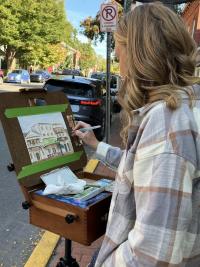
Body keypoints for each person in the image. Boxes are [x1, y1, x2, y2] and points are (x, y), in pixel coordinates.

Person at [73, 2, 200, 267]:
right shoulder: (184, 103)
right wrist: (96, 144)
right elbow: (144, 165)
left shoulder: (166, 120)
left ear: (139, 54)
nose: (118, 61)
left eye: (121, 51)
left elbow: (151, 255)